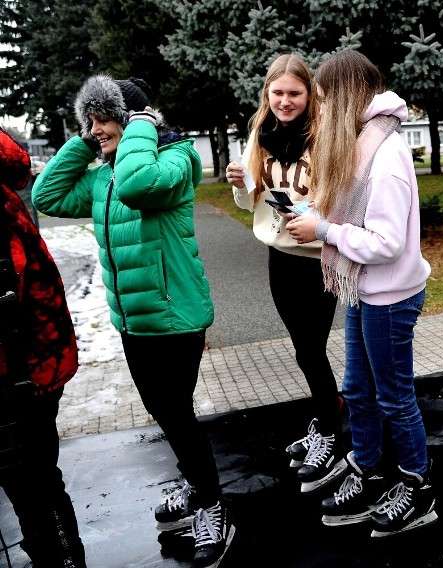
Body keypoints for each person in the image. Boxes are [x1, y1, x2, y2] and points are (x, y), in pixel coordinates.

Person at [31, 74, 234, 567]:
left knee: (176, 412)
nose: (98, 129)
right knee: (164, 409)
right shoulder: (104, 175)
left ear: (135, 119)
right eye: (91, 120)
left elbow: (141, 185)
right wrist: (85, 139)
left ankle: (213, 508)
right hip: (133, 320)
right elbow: (47, 196)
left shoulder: (176, 158)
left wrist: (139, 120)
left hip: (176, 314)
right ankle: (196, 484)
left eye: (105, 119)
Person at [285, 49, 437, 537]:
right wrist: (313, 212)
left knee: (394, 396)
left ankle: (417, 487)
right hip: (366, 290)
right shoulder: (365, 142)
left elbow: (387, 243)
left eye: (326, 100)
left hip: (390, 296)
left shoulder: (385, 155)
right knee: (358, 390)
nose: (321, 110)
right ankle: (369, 471)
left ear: (348, 96)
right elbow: (354, 210)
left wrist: (325, 231)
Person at [224, 53, 346, 494]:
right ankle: (325, 416)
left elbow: (339, 195)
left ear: (309, 94)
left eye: (294, 93)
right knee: (302, 348)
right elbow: (248, 203)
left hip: (318, 258)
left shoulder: (325, 136)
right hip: (280, 255)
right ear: (267, 93)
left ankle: (330, 435)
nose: (285, 101)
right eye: (278, 93)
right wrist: (241, 185)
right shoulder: (259, 135)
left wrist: (313, 214)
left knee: (311, 349)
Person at [0, 127, 87, 567]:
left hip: (19, 374)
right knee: (38, 481)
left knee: (32, 485)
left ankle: (59, 559)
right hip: (32, 367)